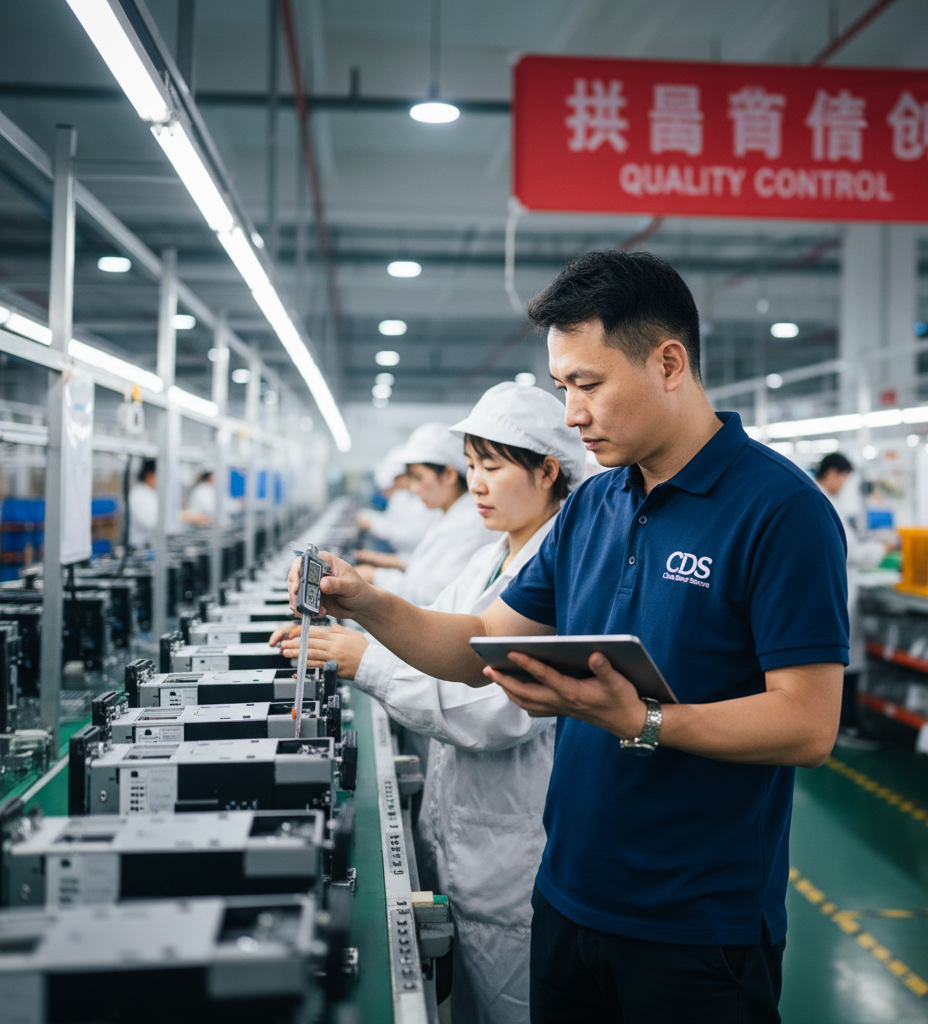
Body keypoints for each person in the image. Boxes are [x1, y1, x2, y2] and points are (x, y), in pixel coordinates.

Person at [292, 250, 849, 1024]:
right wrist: (366, 603)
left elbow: (809, 722)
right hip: (564, 896)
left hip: (696, 924)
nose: (574, 412)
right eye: (563, 388)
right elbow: (479, 641)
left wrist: (644, 721)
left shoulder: (780, 510)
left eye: (587, 384)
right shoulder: (593, 506)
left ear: (669, 363)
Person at [273, 382, 586, 1024]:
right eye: (470, 465)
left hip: (511, 859)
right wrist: (360, 607)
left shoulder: (560, 569)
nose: (476, 484)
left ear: (548, 471)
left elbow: (500, 710)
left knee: (513, 1008)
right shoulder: (494, 557)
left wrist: (364, 662)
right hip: (468, 839)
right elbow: (432, 635)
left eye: (492, 466)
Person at [354, 422, 490, 607]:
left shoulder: (472, 524)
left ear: (449, 474)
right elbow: (428, 566)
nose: (413, 488)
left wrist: (376, 576)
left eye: (418, 478)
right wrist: (387, 562)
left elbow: (438, 594)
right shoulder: (445, 513)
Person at [815, 452, 887, 744]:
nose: (844, 485)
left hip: (827, 595)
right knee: (846, 662)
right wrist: (884, 546)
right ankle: (846, 726)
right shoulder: (824, 502)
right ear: (833, 473)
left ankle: (837, 724)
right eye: (844, 478)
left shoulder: (815, 499)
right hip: (838, 597)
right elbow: (852, 552)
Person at [356, 445, 439, 556]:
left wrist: (374, 524)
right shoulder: (402, 495)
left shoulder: (428, 499)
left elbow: (413, 537)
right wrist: (371, 518)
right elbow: (392, 522)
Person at [127, 458, 158, 548]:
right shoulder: (138, 495)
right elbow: (150, 523)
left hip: (150, 544)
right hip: (139, 546)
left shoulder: (152, 492)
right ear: (150, 475)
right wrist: (178, 517)